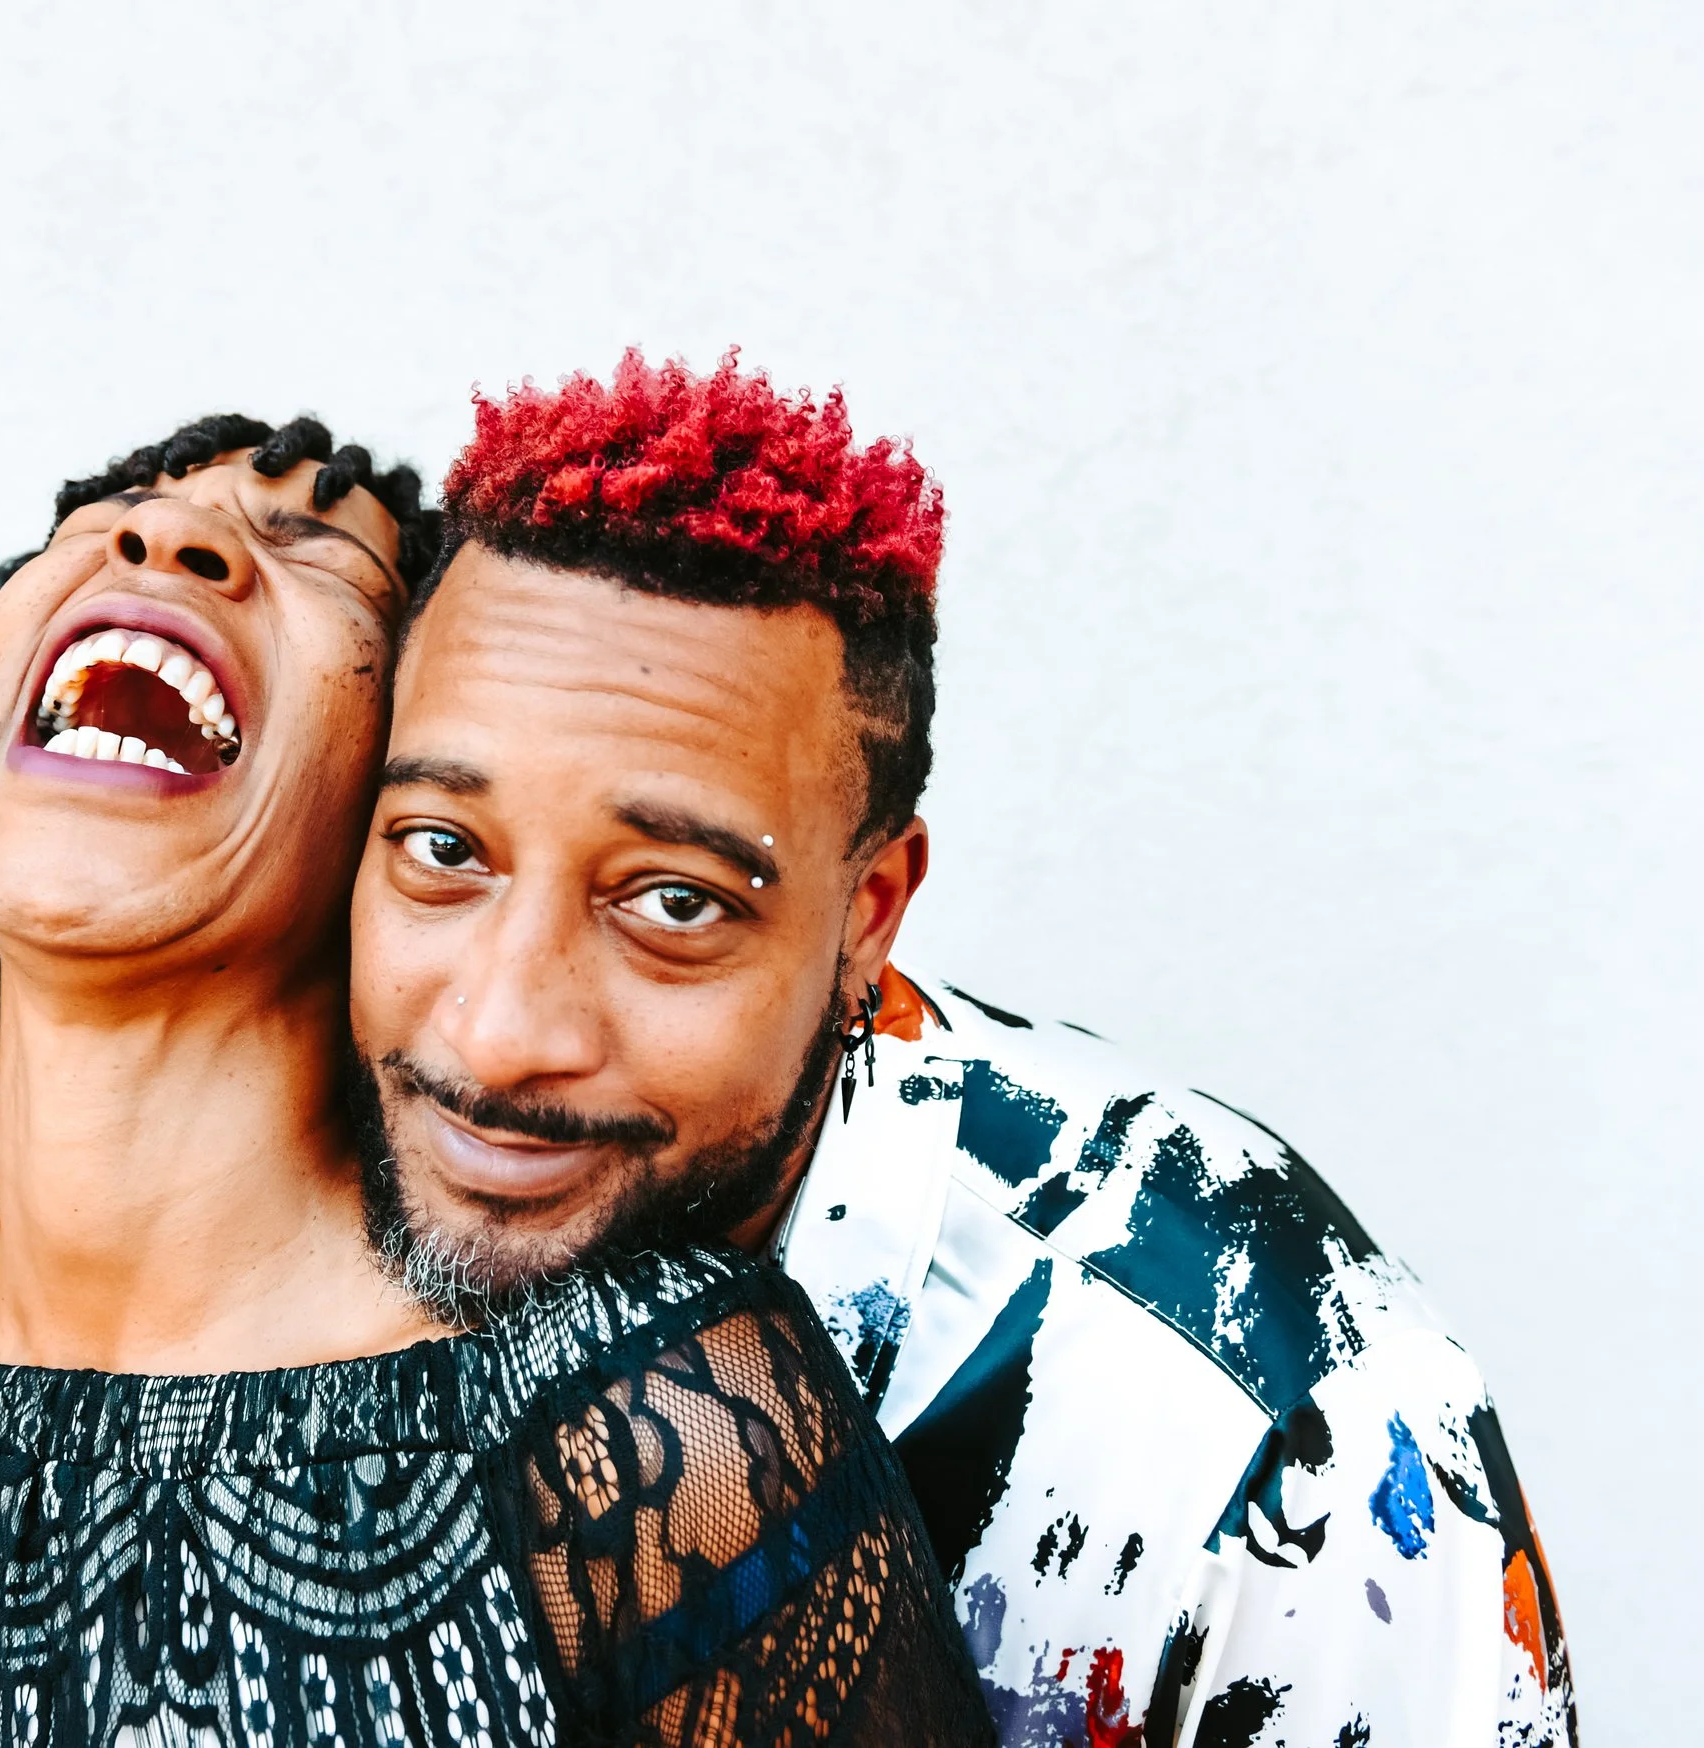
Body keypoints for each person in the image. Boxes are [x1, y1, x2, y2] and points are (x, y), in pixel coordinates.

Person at [0, 414, 996, 1746]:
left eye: (318, 551)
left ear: (394, 816)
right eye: (124, 516)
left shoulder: (652, 1413)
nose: (171, 546)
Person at [348, 351, 1579, 1747]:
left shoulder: (1270, 1421)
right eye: (444, 851)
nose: (499, 1033)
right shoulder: (268, 1157)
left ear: (869, 912)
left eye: (674, 903)